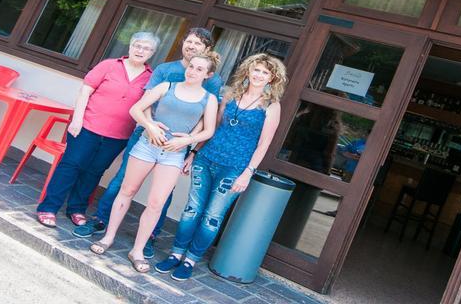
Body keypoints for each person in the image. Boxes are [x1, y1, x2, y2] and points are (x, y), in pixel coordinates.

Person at [73, 27, 223, 259]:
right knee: (122, 182)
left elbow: (206, 119)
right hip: (145, 135)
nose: (192, 47)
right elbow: (145, 103)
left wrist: (191, 149)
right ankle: (101, 221)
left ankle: (149, 237)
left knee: (163, 195)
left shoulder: (212, 83)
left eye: (198, 44)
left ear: (207, 51)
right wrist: (150, 127)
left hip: (176, 147)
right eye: (189, 41)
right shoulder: (165, 71)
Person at [154, 53, 288, 281]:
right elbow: (212, 127)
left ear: (272, 79)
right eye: (256, 69)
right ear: (248, 70)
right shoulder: (230, 95)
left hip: (235, 169)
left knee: (212, 216)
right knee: (191, 210)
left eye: (265, 72)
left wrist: (248, 173)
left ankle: (190, 260)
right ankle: (176, 254)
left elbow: (264, 144)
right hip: (206, 159)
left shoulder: (271, 106)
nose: (259, 75)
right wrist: (194, 152)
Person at [34, 32, 158, 229]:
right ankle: (48, 208)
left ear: (152, 53)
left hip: (118, 136)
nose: (140, 50)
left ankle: (76, 209)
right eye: (137, 45)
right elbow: (85, 91)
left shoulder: (150, 78)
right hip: (88, 126)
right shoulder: (109, 65)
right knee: (71, 165)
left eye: (146, 48)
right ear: (130, 47)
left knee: (94, 172)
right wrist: (77, 120)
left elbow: (147, 107)